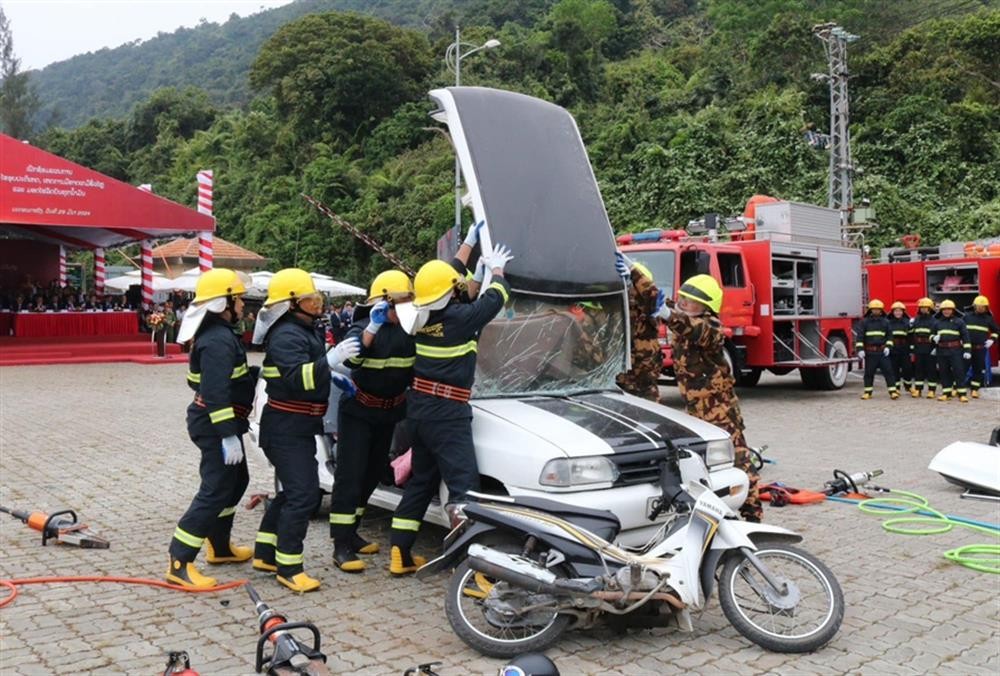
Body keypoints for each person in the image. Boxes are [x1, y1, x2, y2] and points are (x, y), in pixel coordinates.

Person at [388, 239, 513, 575]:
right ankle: (477, 568)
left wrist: (473, 257)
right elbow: (495, 299)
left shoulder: (420, 317)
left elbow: (461, 296)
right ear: (453, 292)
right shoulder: (459, 318)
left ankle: (399, 553)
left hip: (420, 410)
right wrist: (497, 270)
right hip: (447, 414)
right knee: (465, 489)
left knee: (422, 481)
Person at [251, 269, 360, 592]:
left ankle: (265, 553)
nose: (317, 303)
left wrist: (332, 373)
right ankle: (289, 566)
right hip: (285, 427)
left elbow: (310, 371)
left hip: (297, 426)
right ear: (292, 303)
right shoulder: (287, 335)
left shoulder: (304, 329)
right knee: (304, 495)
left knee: (293, 493)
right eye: (310, 298)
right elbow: (301, 379)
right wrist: (330, 360)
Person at [165, 268, 255, 589]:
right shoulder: (218, 340)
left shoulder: (218, 334)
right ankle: (180, 561)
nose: (244, 304)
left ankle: (219, 546)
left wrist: (252, 376)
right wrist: (228, 434)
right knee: (215, 489)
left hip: (220, 421)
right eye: (239, 299)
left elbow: (199, 381)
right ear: (223, 303)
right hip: (216, 425)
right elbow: (215, 394)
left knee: (236, 480)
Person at [654, 274, 762, 523]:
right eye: (683, 298)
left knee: (740, 460)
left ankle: (753, 515)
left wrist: (669, 314)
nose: (683, 303)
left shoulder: (710, 327)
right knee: (703, 463)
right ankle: (716, 512)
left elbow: (690, 327)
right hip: (696, 409)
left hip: (720, 410)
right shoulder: (684, 316)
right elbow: (672, 311)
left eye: (691, 301)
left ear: (706, 307)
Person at [329, 270, 416, 573]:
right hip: (359, 412)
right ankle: (340, 543)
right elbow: (351, 358)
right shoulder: (365, 326)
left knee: (372, 475)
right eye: (401, 302)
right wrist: (374, 328)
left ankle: (352, 531)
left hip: (389, 413)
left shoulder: (410, 329)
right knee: (350, 476)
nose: (406, 308)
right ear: (383, 303)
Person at [614, 252, 662, 403]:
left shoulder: (651, 308)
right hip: (619, 382)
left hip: (643, 385)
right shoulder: (620, 306)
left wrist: (633, 272)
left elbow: (651, 295)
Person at [855, 299, 899, 400]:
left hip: (882, 352)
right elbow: (860, 337)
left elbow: (890, 337)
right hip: (870, 352)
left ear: (881, 310)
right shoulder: (864, 323)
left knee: (888, 372)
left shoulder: (886, 322)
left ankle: (893, 391)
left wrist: (888, 347)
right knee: (869, 373)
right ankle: (868, 392)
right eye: (874, 309)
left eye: (877, 309)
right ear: (870, 310)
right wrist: (860, 349)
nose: (875, 311)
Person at [932, 299, 971, 402]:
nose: (946, 311)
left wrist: (967, 350)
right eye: (944, 310)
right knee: (944, 372)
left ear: (953, 310)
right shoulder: (937, 322)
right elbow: (931, 335)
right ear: (941, 311)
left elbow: (965, 337)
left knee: (959, 371)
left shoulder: (959, 322)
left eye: (949, 309)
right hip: (941, 350)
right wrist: (933, 338)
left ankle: (961, 394)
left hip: (956, 350)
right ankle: (946, 393)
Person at [964, 295, 998, 398]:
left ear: (986, 307)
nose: (980, 308)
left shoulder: (989, 319)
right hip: (967, 348)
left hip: (980, 349)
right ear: (974, 306)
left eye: (983, 306)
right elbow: (959, 329)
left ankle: (975, 390)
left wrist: (992, 340)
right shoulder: (967, 317)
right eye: (978, 306)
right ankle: (958, 388)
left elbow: (996, 331)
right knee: (961, 368)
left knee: (978, 369)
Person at [909, 297, 938, 398]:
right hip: (919, 348)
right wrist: (912, 348)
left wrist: (935, 348)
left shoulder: (935, 321)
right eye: (921, 308)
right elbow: (912, 334)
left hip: (930, 348)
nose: (923, 309)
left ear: (930, 308)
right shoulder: (916, 320)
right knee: (918, 370)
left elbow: (936, 335)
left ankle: (931, 390)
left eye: (925, 308)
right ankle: (918, 389)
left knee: (931, 370)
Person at [887, 301, 913, 393]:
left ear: (903, 312)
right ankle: (896, 388)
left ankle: (908, 386)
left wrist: (911, 348)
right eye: (896, 311)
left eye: (900, 311)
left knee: (907, 368)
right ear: (892, 312)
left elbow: (911, 336)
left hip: (904, 348)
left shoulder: (907, 322)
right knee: (894, 369)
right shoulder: (888, 323)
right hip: (893, 349)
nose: (898, 313)